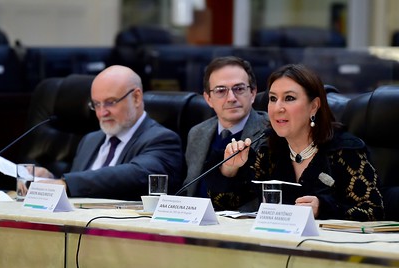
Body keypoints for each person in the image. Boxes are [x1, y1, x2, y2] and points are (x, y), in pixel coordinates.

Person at [208, 64, 384, 221]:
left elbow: (373, 212)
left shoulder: (345, 150)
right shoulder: (269, 150)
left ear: (314, 106)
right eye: (273, 99)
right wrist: (230, 170)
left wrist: (323, 208)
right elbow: (226, 204)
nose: (278, 108)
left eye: (289, 98)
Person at [36, 65, 184, 200]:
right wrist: (51, 179)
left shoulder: (162, 140)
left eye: (110, 102)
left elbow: (135, 175)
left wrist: (66, 183)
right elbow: (81, 186)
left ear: (136, 98)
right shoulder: (90, 140)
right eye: (96, 104)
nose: (102, 112)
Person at [183, 56, 269, 211]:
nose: (231, 98)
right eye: (221, 90)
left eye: (239, 89)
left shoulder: (269, 131)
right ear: (208, 99)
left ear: (253, 93)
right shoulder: (197, 133)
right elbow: (188, 190)